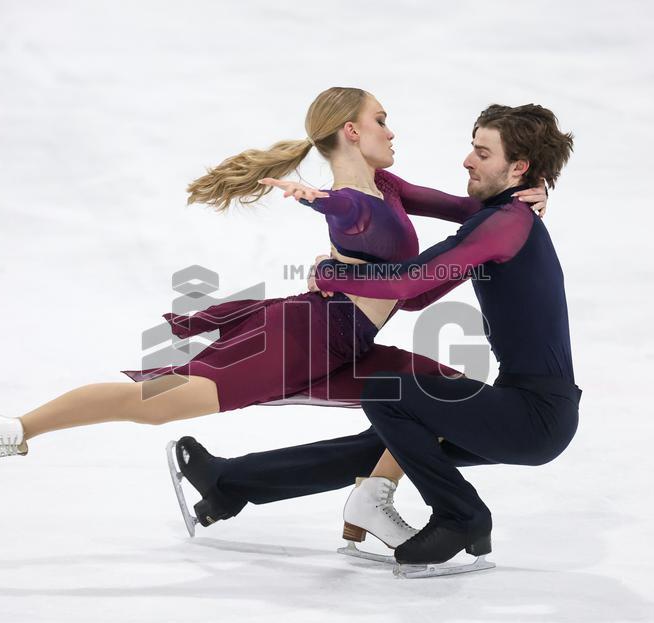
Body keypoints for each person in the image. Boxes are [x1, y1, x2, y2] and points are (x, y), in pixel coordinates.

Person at [0, 87, 548, 528]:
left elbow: (476, 218)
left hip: (345, 341)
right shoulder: (352, 200)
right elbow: (345, 213)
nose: (394, 130)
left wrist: (528, 194)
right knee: (155, 402)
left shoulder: (388, 187)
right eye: (381, 119)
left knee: (440, 395)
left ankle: (374, 497)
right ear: (352, 132)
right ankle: (6, 431)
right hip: (304, 336)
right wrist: (316, 202)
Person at [173, 103, 579, 571]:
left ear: (519, 166)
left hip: (536, 415)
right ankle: (227, 484)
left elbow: (409, 282)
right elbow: (416, 296)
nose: (467, 160)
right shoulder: (500, 220)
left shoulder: (508, 223)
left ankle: (462, 516)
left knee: (389, 395)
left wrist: (334, 275)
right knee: (386, 439)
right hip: (528, 410)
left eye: (482, 153)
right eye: (472, 147)